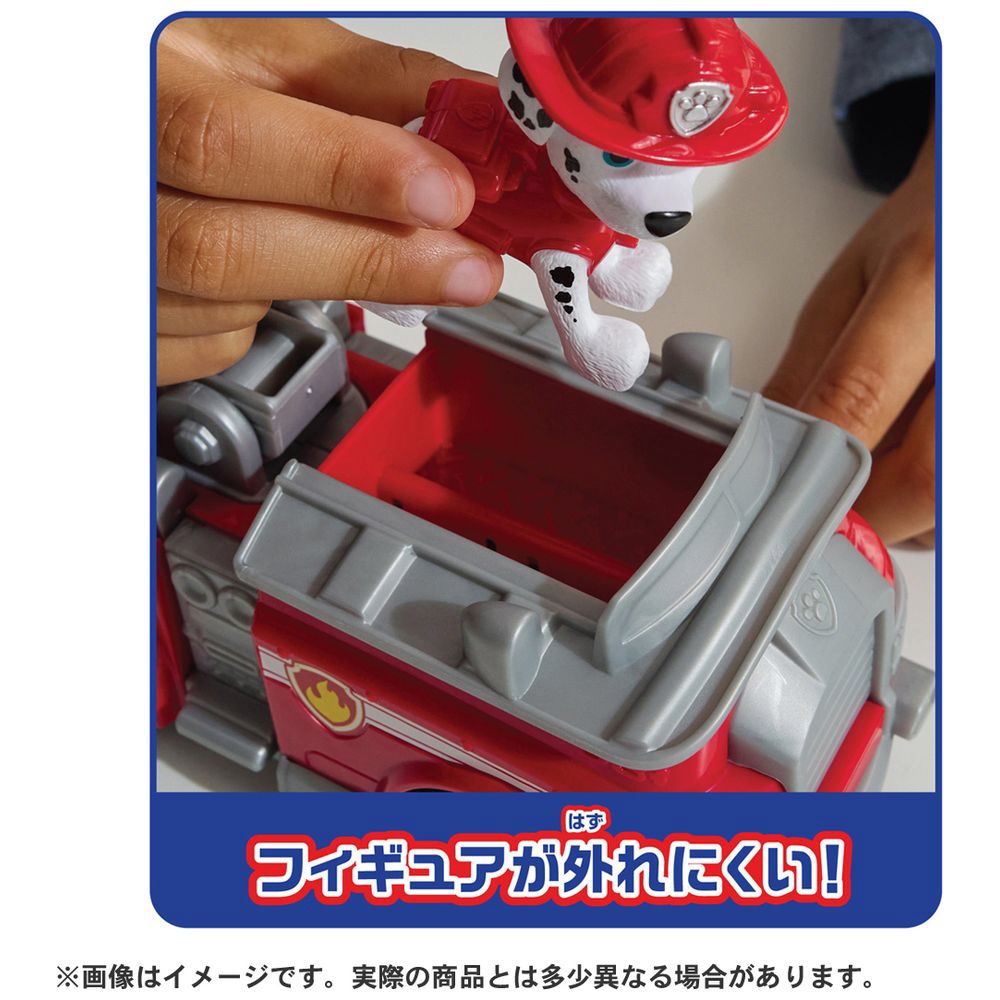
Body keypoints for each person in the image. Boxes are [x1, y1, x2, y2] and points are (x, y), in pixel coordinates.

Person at [156, 16, 936, 545]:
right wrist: (586, 330)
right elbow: (560, 267)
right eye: (624, 158)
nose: (668, 204)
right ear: (530, 107)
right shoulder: (537, 189)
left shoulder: (597, 195)